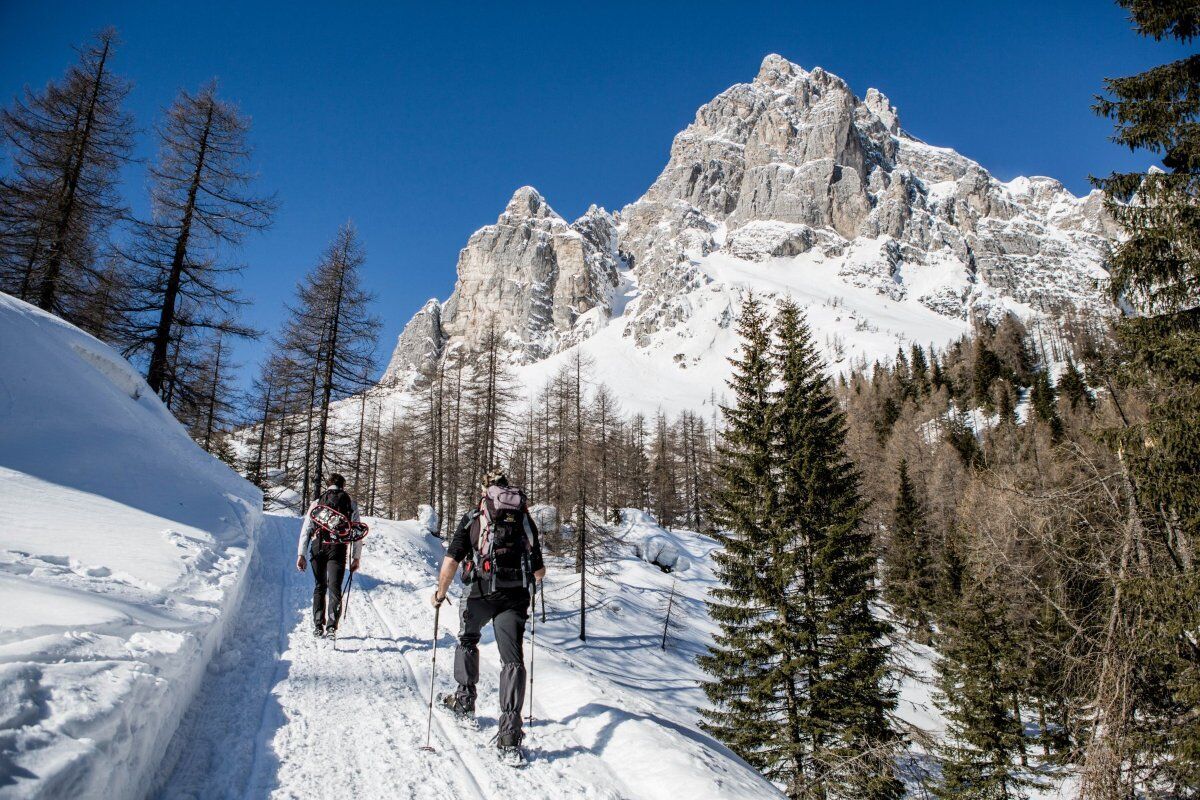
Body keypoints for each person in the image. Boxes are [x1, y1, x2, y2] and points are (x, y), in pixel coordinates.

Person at [431, 469, 546, 761]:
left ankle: (464, 700)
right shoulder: (524, 518)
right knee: (513, 662)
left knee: (468, 639)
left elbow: (451, 561)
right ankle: (509, 735)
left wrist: (440, 593)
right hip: (515, 597)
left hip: (479, 593)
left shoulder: (474, 517)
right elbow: (539, 571)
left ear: (485, 490)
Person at [297, 473, 362, 638]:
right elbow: (357, 533)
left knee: (319, 586)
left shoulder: (317, 502)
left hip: (318, 546)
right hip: (338, 549)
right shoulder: (350, 503)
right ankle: (332, 627)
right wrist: (356, 558)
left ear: (328, 485)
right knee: (335, 588)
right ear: (343, 486)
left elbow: (306, 530)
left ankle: (318, 625)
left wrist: (301, 554)